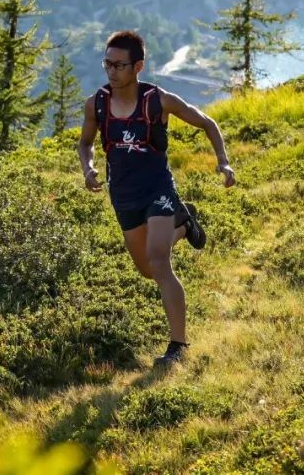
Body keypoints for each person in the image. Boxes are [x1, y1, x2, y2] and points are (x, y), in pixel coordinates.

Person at [77, 30, 235, 367]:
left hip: (158, 190)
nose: (110, 71)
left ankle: (178, 346)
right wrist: (88, 169)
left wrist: (223, 160)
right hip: (123, 195)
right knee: (147, 269)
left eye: (118, 65)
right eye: (106, 63)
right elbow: (85, 142)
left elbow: (207, 123)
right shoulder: (97, 104)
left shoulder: (158, 100)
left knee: (160, 262)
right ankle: (183, 223)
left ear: (138, 67)